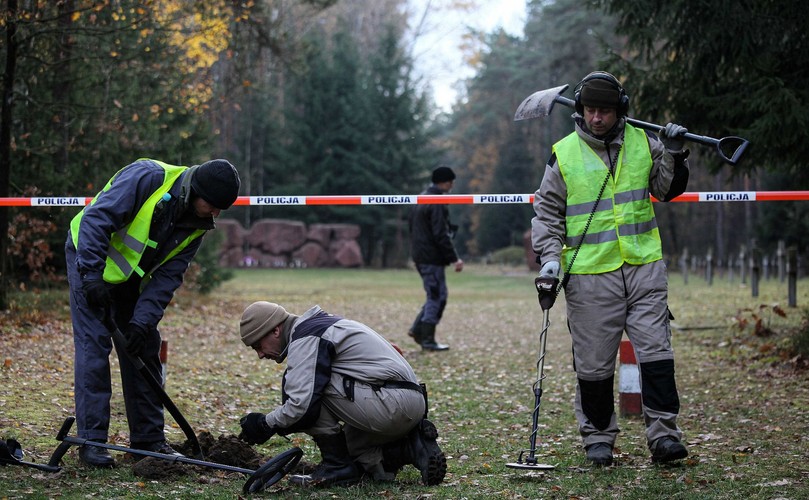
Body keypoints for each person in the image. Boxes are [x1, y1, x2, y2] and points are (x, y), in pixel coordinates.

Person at [531, 71, 691, 466]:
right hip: (589, 277)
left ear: (619, 110)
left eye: (604, 111)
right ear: (580, 110)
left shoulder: (645, 142)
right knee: (594, 366)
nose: (596, 118)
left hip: (644, 268)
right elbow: (547, 213)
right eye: (590, 110)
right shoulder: (564, 154)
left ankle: (665, 437)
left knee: (657, 356)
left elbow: (667, 190)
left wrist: (673, 153)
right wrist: (550, 259)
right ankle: (598, 438)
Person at [65, 158, 241, 467]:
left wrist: (141, 323)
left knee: (144, 347)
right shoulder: (147, 178)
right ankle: (91, 442)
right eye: (213, 206)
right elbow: (95, 220)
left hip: (128, 280)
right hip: (88, 260)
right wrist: (91, 276)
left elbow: (166, 279)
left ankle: (148, 441)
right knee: (94, 346)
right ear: (196, 191)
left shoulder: (196, 225)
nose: (216, 213)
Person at [237, 301, 447, 487]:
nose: (260, 355)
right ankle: (409, 448)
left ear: (275, 330)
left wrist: (265, 423)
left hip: (392, 405)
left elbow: (302, 405)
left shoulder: (306, 337)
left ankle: (335, 467)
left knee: (312, 389)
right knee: (349, 452)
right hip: (407, 401)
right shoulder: (322, 324)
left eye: (258, 346)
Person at [407, 165, 464, 351]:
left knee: (435, 295)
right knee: (437, 297)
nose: (452, 186)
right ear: (445, 182)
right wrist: (454, 258)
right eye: (451, 182)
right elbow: (440, 234)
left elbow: (412, 227)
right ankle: (427, 339)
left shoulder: (421, 198)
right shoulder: (437, 201)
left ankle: (418, 330)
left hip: (421, 255)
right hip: (431, 257)